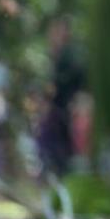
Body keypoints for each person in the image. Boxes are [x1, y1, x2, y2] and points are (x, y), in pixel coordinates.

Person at [37, 19, 85, 176]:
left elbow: (67, 81)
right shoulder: (59, 55)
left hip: (65, 109)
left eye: (56, 31)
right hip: (60, 109)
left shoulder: (68, 55)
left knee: (57, 145)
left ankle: (60, 175)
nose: (52, 36)